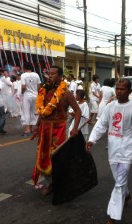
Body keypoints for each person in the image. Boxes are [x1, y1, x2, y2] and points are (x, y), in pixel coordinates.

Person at [86, 79, 132, 224]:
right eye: (117, 88)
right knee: (118, 178)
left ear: (129, 92)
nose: (119, 91)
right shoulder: (110, 106)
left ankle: (112, 216)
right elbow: (101, 124)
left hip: (128, 149)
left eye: (123, 89)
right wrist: (92, 139)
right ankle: (127, 195)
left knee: (119, 183)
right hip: (113, 148)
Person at [32, 65, 81, 196]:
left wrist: (75, 128)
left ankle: (61, 183)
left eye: (53, 74)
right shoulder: (44, 91)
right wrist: (37, 125)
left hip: (59, 129)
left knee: (58, 158)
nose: (50, 76)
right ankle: (51, 184)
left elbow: (77, 111)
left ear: (60, 76)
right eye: (49, 74)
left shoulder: (66, 93)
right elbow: (42, 113)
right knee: (43, 157)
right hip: (44, 129)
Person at [21, 62, 41, 136]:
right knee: (34, 112)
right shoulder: (36, 75)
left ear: (24, 68)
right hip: (35, 95)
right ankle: (33, 128)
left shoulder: (23, 75)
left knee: (26, 112)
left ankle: (28, 129)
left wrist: (22, 92)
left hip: (27, 95)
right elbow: (39, 87)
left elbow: (23, 87)